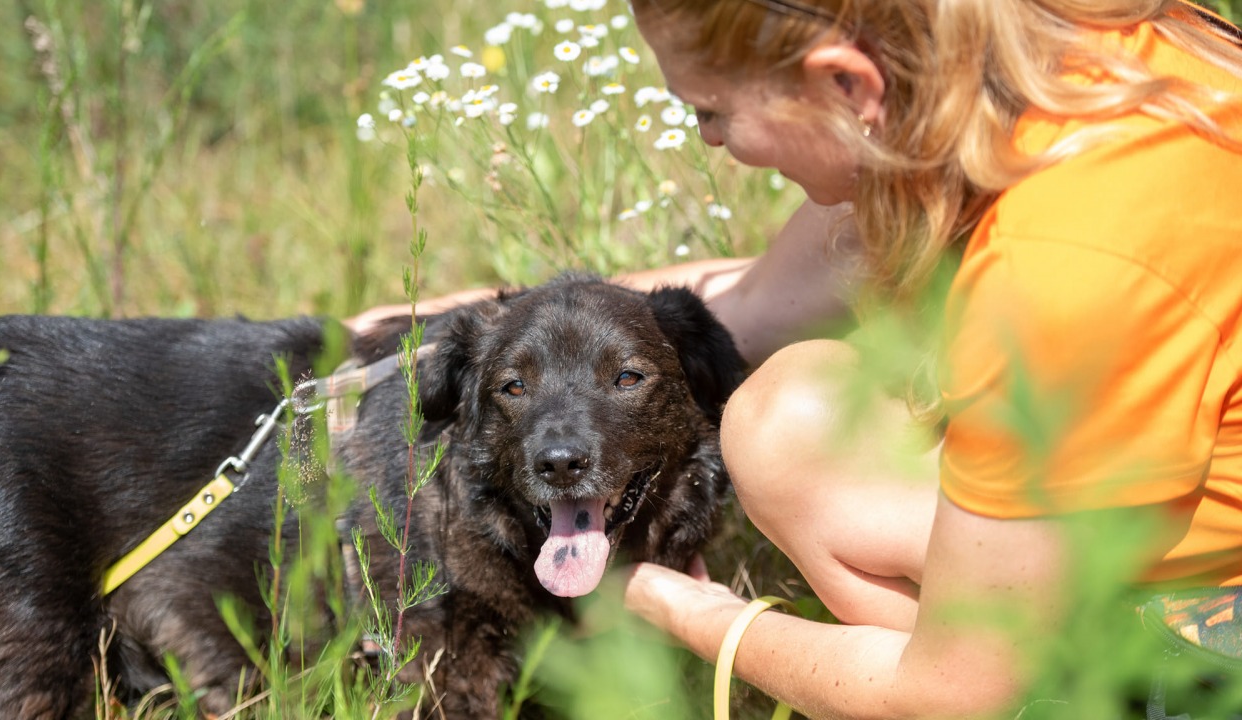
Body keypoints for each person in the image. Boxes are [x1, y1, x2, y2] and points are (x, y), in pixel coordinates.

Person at [352, 1, 1242, 716]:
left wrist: (695, 614)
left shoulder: (1072, 265)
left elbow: (945, 694)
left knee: (790, 436)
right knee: (796, 416)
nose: (707, 140)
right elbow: (749, 307)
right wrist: (461, 327)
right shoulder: (1041, 59)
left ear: (844, 83)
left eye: (712, 110)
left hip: (1214, 637)